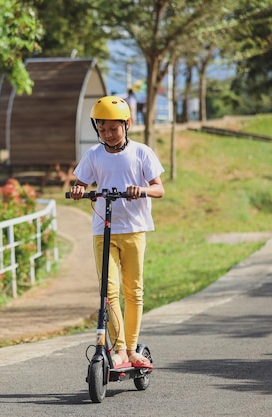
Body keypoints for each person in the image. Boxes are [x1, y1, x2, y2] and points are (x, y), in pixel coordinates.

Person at [69, 95, 165, 369]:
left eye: (113, 128)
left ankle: (134, 349)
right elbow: (81, 183)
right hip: (104, 230)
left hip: (134, 230)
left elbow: (159, 188)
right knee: (108, 292)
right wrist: (78, 190)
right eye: (102, 129)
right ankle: (120, 349)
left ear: (127, 125)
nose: (108, 135)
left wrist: (142, 189)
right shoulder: (94, 155)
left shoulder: (141, 152)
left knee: (133, 291)